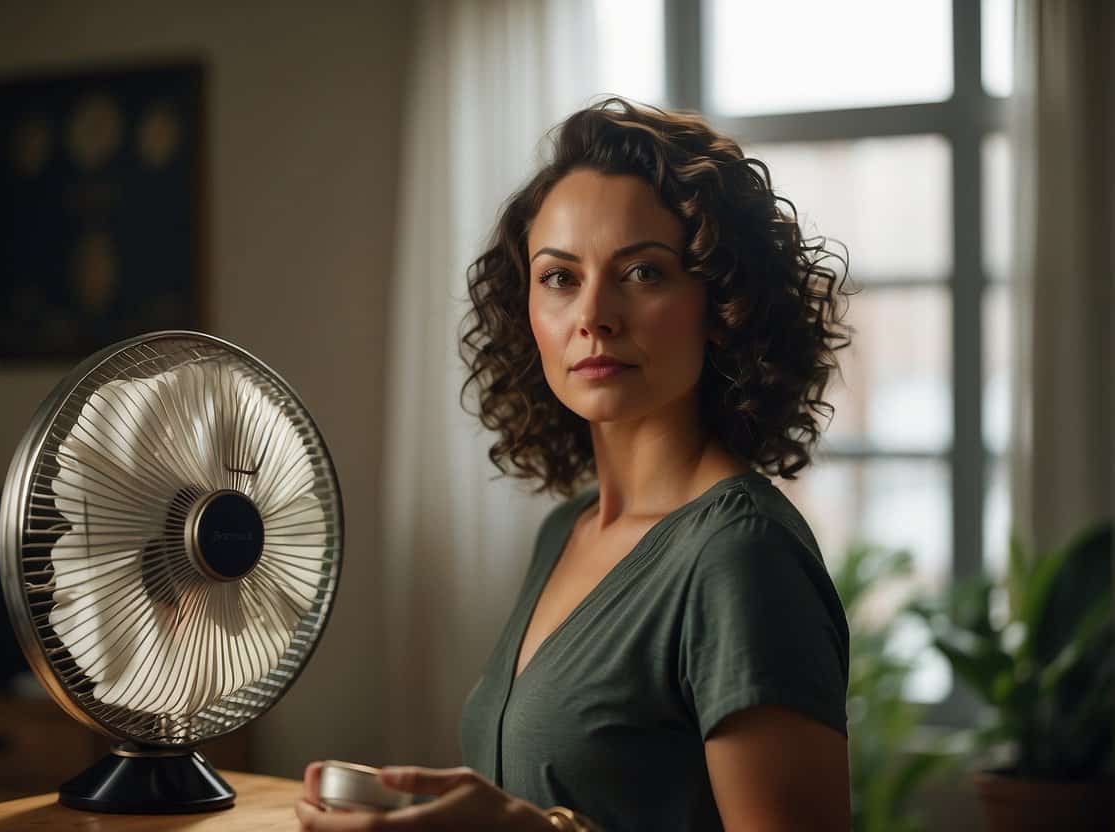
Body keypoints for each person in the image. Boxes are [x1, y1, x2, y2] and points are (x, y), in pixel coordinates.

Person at [296, 96, 854, 831]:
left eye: (644, 273)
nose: (594, 313)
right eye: (559, 277)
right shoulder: (566, 530)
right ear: (524, 308)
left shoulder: (740, 556)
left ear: (721, 303)